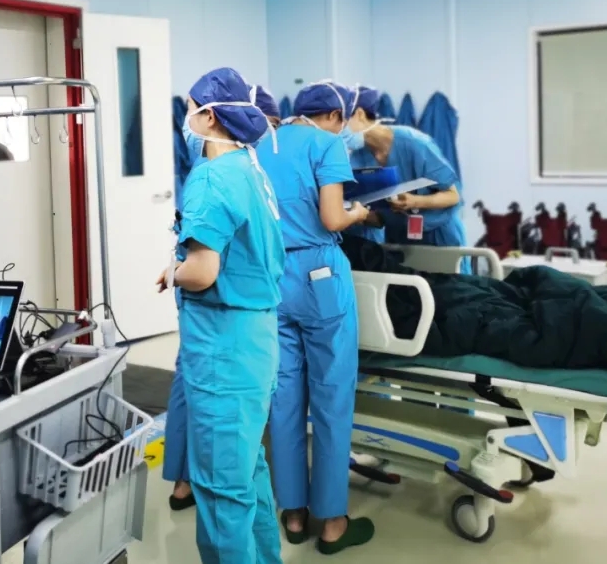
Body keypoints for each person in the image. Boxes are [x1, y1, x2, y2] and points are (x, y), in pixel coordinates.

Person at [156, 68, 284, 564]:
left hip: (223, 349)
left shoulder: (211, 177)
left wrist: (174, 270)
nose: (186, 118)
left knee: (219, 490)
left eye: (190, 109)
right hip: (256, 340)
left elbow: (204, 271)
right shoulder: (249, 168)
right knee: (247, 472)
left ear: (209, 117)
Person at [257, 80, 375, 554]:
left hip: (272, 279)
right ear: (332, 116)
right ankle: (332, 522)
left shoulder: (259, 145)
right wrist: (358, 212)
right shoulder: (326, 144)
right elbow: (331, 218)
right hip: (320, 277)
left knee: (284, 400)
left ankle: (293, 513)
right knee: (330, 398)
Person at [346, 85, 466, 256]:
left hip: (439, 237)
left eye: (341, 120)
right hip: (400, 241)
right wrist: (357, 215)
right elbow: (380, 217)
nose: (337, 129)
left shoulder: (415, 143)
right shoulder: (358, 157)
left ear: (359, 114)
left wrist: (415, 201)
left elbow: (453, 196)